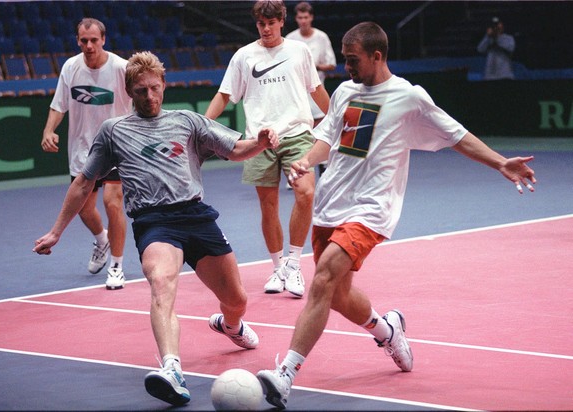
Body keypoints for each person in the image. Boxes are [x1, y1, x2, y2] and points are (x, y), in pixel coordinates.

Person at [256, 21, 536, 409]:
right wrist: (305, 160)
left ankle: (285, 374)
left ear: (377, 55)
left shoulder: (408, 96)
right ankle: (387, 329)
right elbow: (327, 139)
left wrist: (500, 163)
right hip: (331, 204)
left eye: (353, 60)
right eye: (345, 58)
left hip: (372, 209)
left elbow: (457, 135)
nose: (346, 66)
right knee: (336, 295)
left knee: (321, 279)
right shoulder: (344, 92)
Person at [33, 51, 279, 406]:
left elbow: (236, 149)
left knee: (237, 300)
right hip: (154, 223)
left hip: (197, 216)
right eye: (140, 90)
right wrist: (56, 231)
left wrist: (261, 142)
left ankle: (230, 325)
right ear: (129, 91)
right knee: (161, 282)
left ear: (164, 85)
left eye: (154, 88)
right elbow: (84, 182)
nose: (149, 97)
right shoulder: (114, 131)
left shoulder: (188, 121)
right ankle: (172, 369)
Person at [205, 0, 330, 299]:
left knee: (306, 192)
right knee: (268, 204)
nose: (266, 28)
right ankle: (277, 268)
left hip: (298, 133)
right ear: (257, 23)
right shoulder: (244, 56)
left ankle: (294, 264)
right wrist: (203, 126)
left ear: (282, 21)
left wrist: (337, 121)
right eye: (261, 23)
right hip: (258, 140)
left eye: (272, 22)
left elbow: (317, 91)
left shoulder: (299, 52)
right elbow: (224, 95)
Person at [41, 18, 132, 290]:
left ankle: (116, 266)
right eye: (84, 41)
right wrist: (48, 130)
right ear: (78, 41)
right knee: (82, 207)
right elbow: (59, 105)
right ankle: (102, 239)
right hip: (82, 150)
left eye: (94, 40)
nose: (89, 45)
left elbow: (140, 100)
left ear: (103, 39)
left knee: (113, 203)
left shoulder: (120, 68)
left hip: (116, 146)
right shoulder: (71, 67)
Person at [286, 1, 336, 176]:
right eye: (300, 17)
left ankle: (324, 165)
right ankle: (295, 169)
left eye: (306, 17)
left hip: (317, 90)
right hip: (297, 93)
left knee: (321, 129)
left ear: (311, 17)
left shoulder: (322, 37)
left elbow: (331, 64)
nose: (303, 21)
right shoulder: (290, 38)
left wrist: (312, 66)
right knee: (298, 131)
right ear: (296, 19)